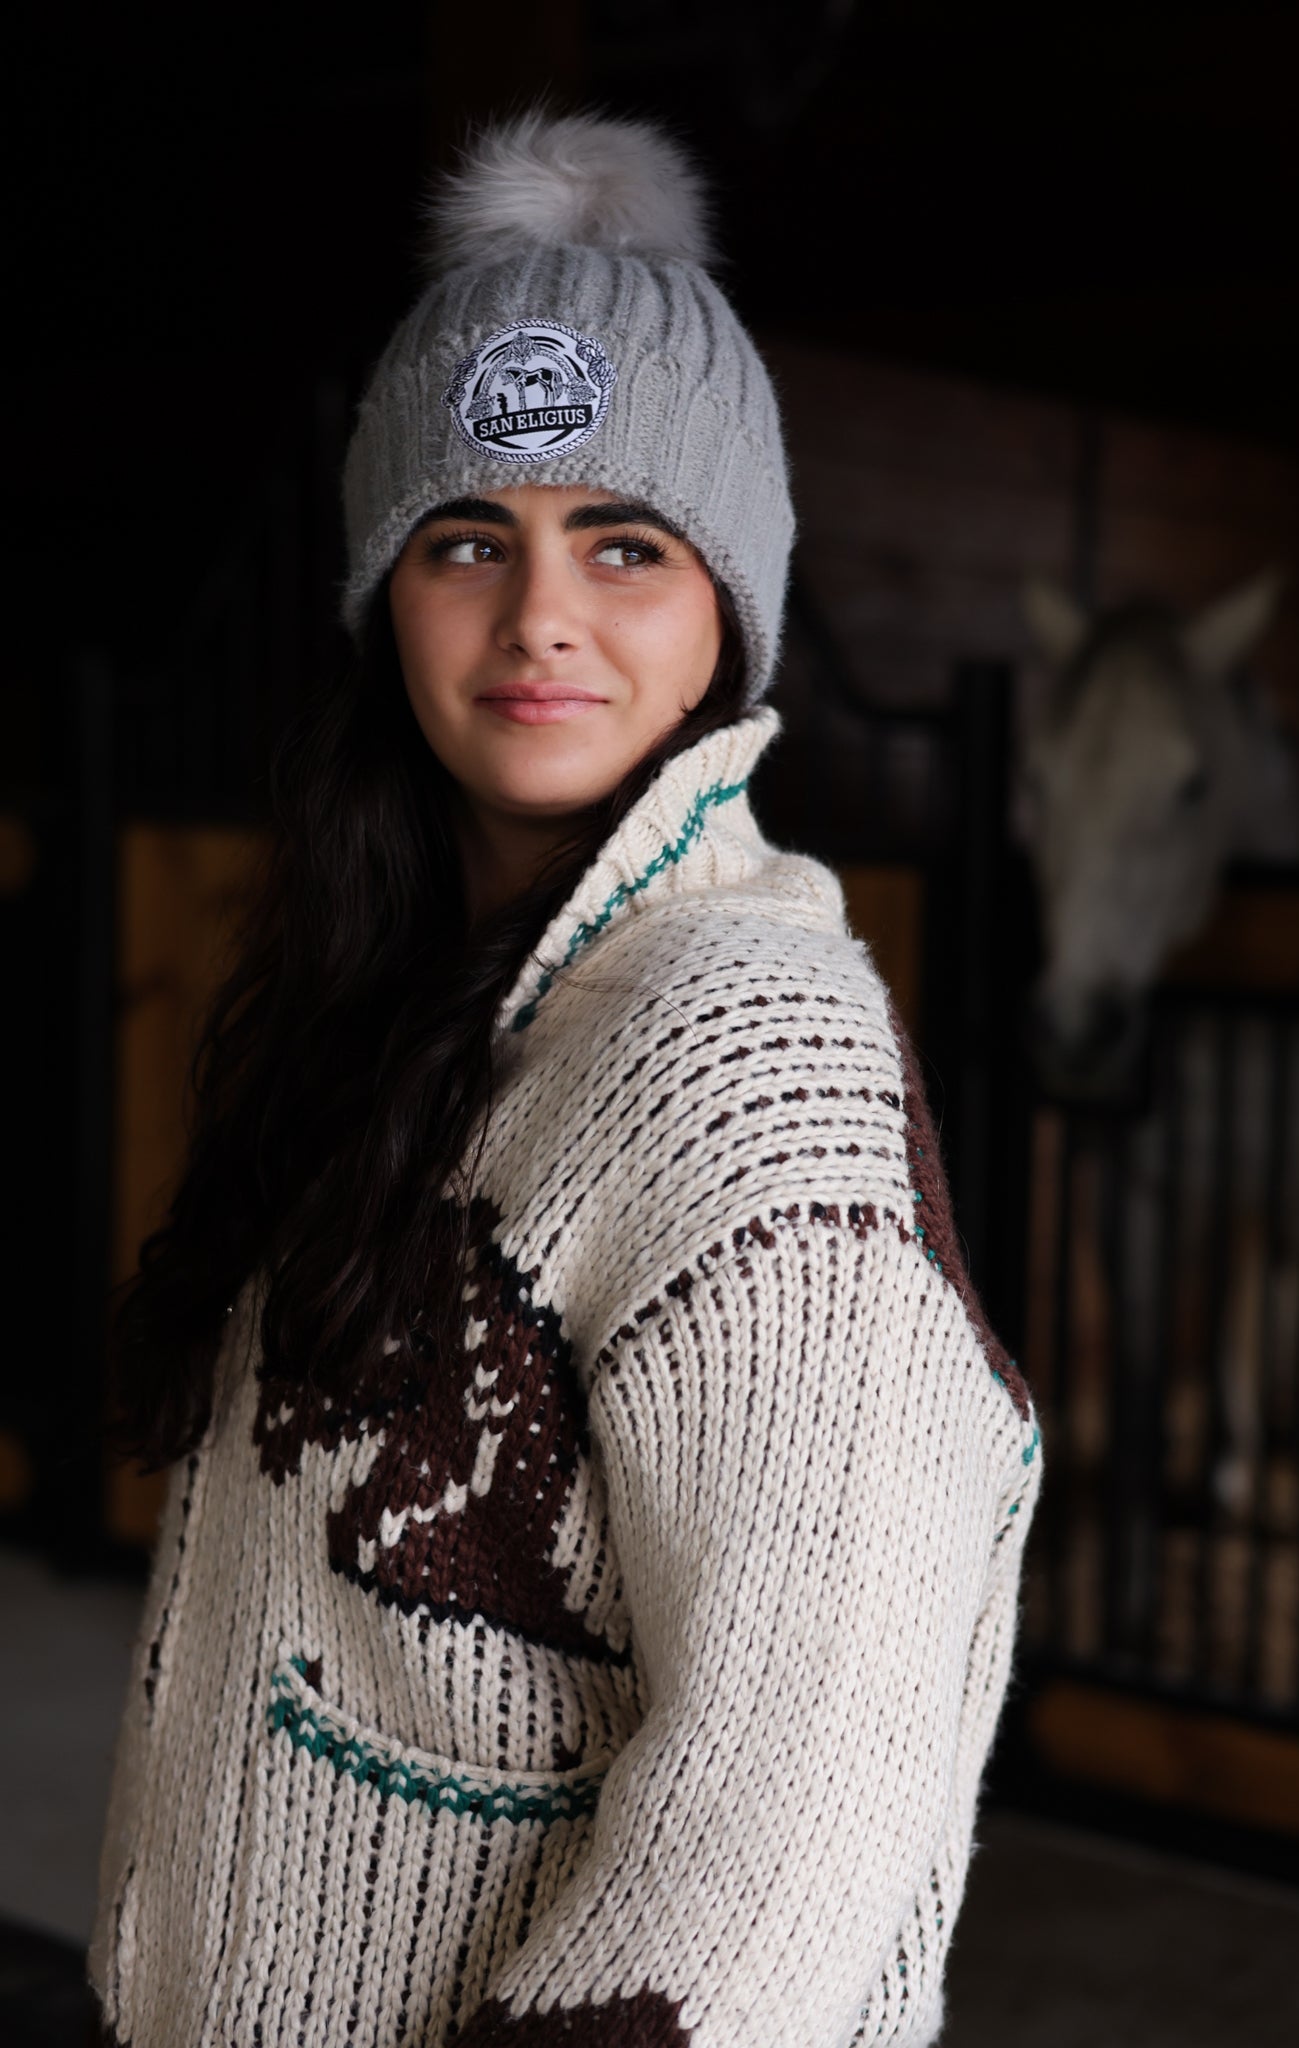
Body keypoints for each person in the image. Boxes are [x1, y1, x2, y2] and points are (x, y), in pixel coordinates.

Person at [91, 112, 1042, 2048]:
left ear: (725, 609)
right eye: (468, 540)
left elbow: (802, 1801)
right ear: (387, 599)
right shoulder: (411, 1004)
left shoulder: (734, 1050)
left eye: (624, 543)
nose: (540, 616)